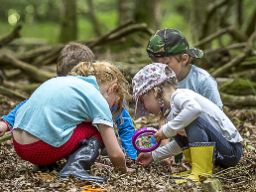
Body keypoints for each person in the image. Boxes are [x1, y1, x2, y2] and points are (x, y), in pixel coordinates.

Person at [0, 42, 137, 160]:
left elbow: (125, 127)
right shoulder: (58, 89)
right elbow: (30, 104)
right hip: (60, 138)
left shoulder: (111, 97)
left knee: (109, 144)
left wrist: (132, 156)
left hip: (94, 139)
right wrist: (7, 122)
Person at [10, 61, 133, 183]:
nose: (111, 108)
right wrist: (123, 170)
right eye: (115, 103)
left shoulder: (63, 82)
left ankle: (48, 165)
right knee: (95, 132)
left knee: (70, 125)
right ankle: (75, 169)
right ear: (113, 89)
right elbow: (115, 154)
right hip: (40, 148)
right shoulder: (97, 98)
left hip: (19, 145)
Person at [133, 63, 243, 182]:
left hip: (230, 152)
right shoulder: (173, 114)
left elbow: (195, 109)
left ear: (154, 91)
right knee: (180, 128)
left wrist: (166, 130)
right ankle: (197, 168)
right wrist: (154, 155)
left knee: (192, 121)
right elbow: (182, 143)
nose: (145, 107)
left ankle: (201, 171)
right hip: (217, 154)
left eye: (144, 100)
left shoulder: (180, 95)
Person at [146, 28, 223, 109]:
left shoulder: (202, 81)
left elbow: (218, 114)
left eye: (166, 63)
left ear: (184, 59)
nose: (159, 68)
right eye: (155, 63)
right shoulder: (154, 81)